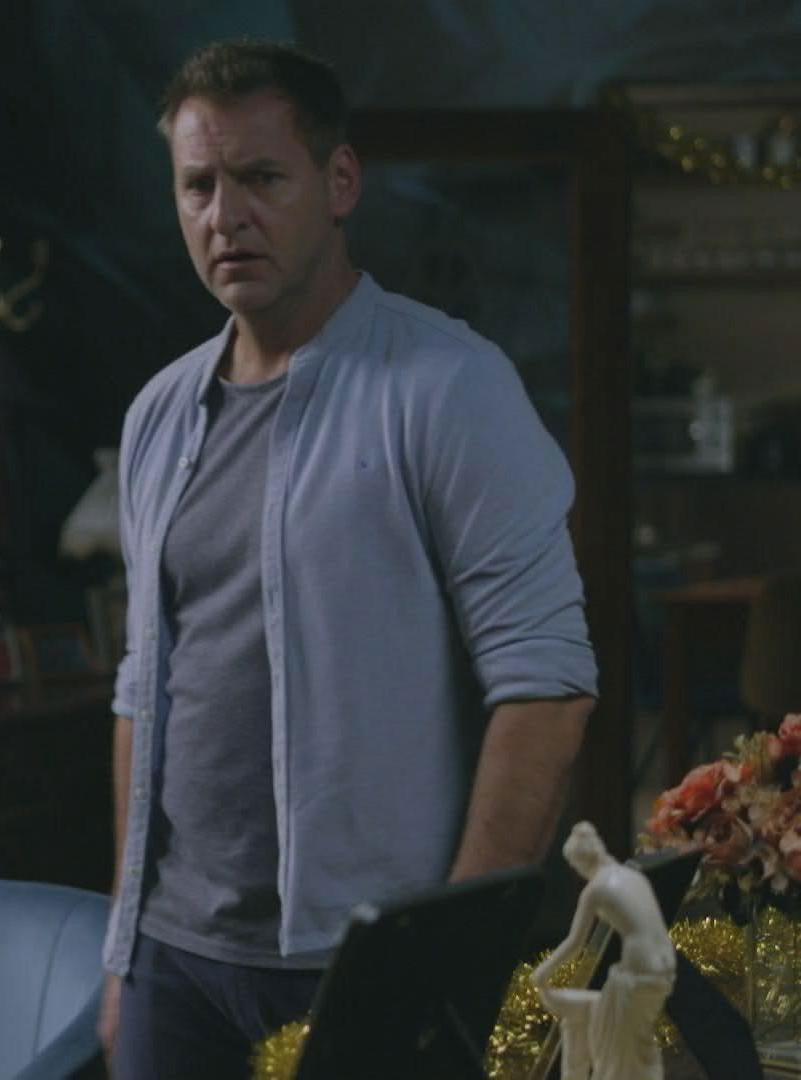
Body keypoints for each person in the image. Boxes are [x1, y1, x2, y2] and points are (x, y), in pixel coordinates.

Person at [96, 38, 599, 1077]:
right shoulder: (157, 413)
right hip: (174, 963)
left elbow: (546, 689)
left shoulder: (448, 387)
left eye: (261, 178)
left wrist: (449, 962)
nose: (226, 216)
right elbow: (142, 692)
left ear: (339, 183)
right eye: (198, 185)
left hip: (361, 960)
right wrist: (121, 948)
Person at [530, 822, 675, 1080]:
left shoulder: (596, 889)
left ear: (581, 861)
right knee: (635, 1040)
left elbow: (575, 943)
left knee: (613, 1045)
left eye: (575, 866)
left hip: (638, 970)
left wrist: (542, 973)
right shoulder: (634, 875)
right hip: (665, 964)